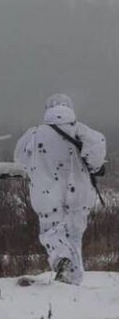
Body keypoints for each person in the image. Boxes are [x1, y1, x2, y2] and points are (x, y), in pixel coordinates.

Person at [14, 94, 106, 285]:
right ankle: (72, 281)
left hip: (48, 193)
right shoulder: (80, 130)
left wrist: (39, 165)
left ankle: (61, 259)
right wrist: (93, 166)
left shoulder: (35, 134)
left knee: (51, 231)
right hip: (79, 194)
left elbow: (20, 159)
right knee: (74, 236)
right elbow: (97, 147)